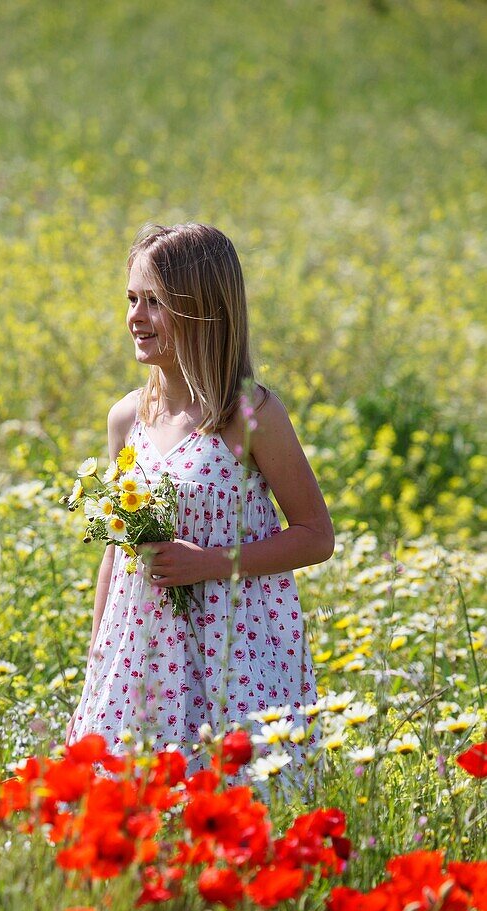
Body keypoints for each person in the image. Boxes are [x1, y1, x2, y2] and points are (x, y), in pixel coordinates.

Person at [66, 223, 334, 773]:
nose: (135, 318)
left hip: (234, 650)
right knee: (132, 805)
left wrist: (209, 564)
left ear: (199, 310)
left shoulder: (249, 414)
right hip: (139, 655)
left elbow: (316, 536)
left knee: (236, 803)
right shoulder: (127, 418)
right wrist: (97, 658)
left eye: (154, 303)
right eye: (131, 300)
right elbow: (116, 554)